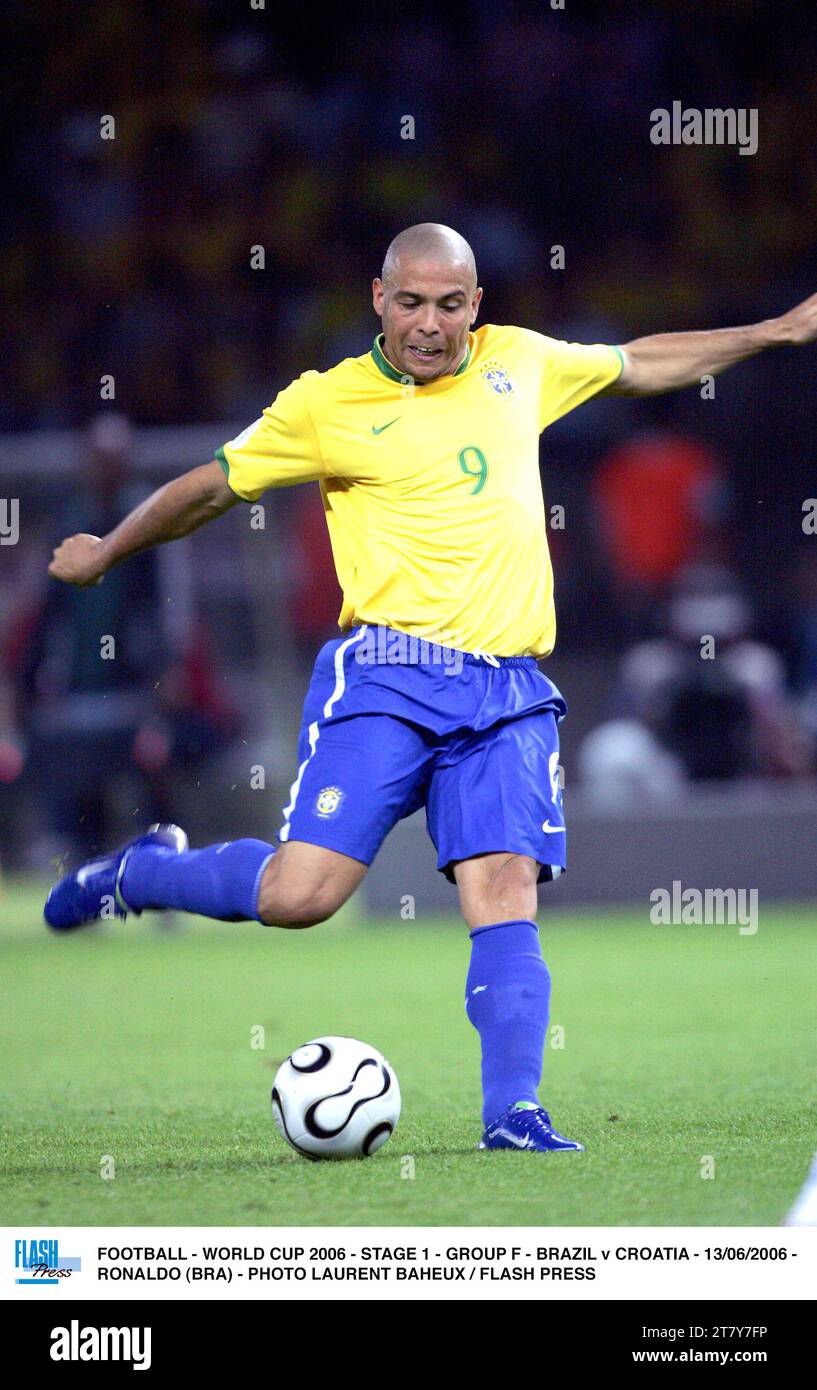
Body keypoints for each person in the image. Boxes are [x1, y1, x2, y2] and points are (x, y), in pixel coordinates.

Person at [43, 223, 817, 1153]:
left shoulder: (519, 363)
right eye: (409, 302)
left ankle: (512, 1115)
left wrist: (773, 330)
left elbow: (639, 364)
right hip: (387, 677)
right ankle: (142, 871)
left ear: (474, 307)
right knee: (303, 895)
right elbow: (211, 488)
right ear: (378, 298)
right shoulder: (326, 403)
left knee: (503, 886)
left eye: (448, 304)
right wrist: (105, 550)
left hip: (506, 691)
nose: (427, 324)